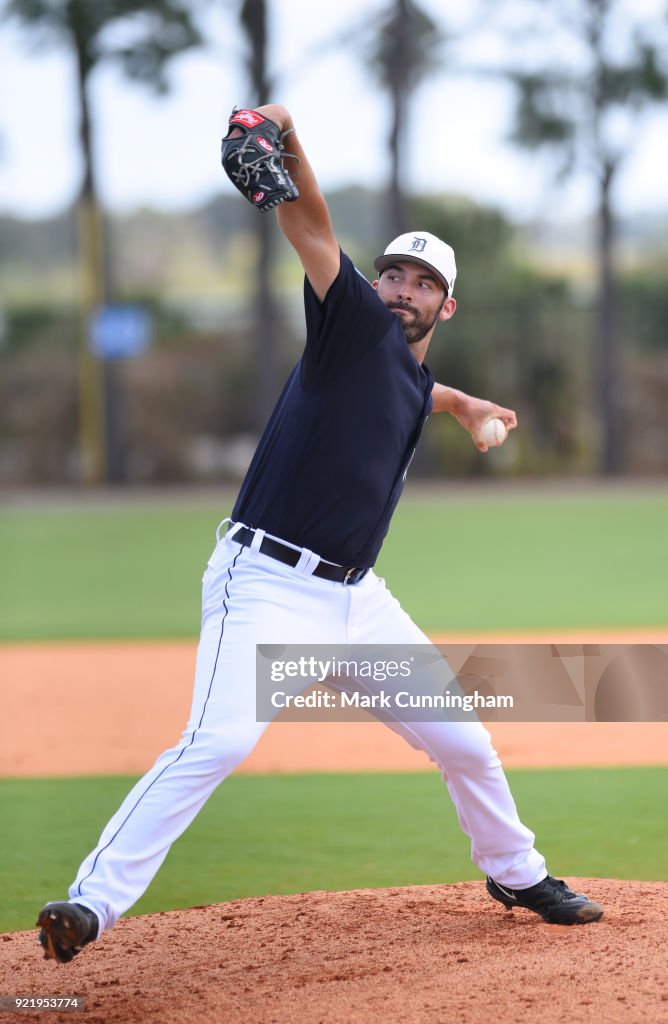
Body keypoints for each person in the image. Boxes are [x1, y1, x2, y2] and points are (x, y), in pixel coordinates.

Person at [36, 103, 603, 963]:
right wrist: (284, 128)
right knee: (217, 741)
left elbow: (422, 392)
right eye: (394, 275)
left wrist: (468, 404)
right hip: (265, 584)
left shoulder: (412, 375)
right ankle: (89, 905)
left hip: (356, 602)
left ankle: (516, 871)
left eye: (423, 283)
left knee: (465, 740)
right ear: (374, 287)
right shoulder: (352, 324)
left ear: (446, 307)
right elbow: (310, 223)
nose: (403, 289)